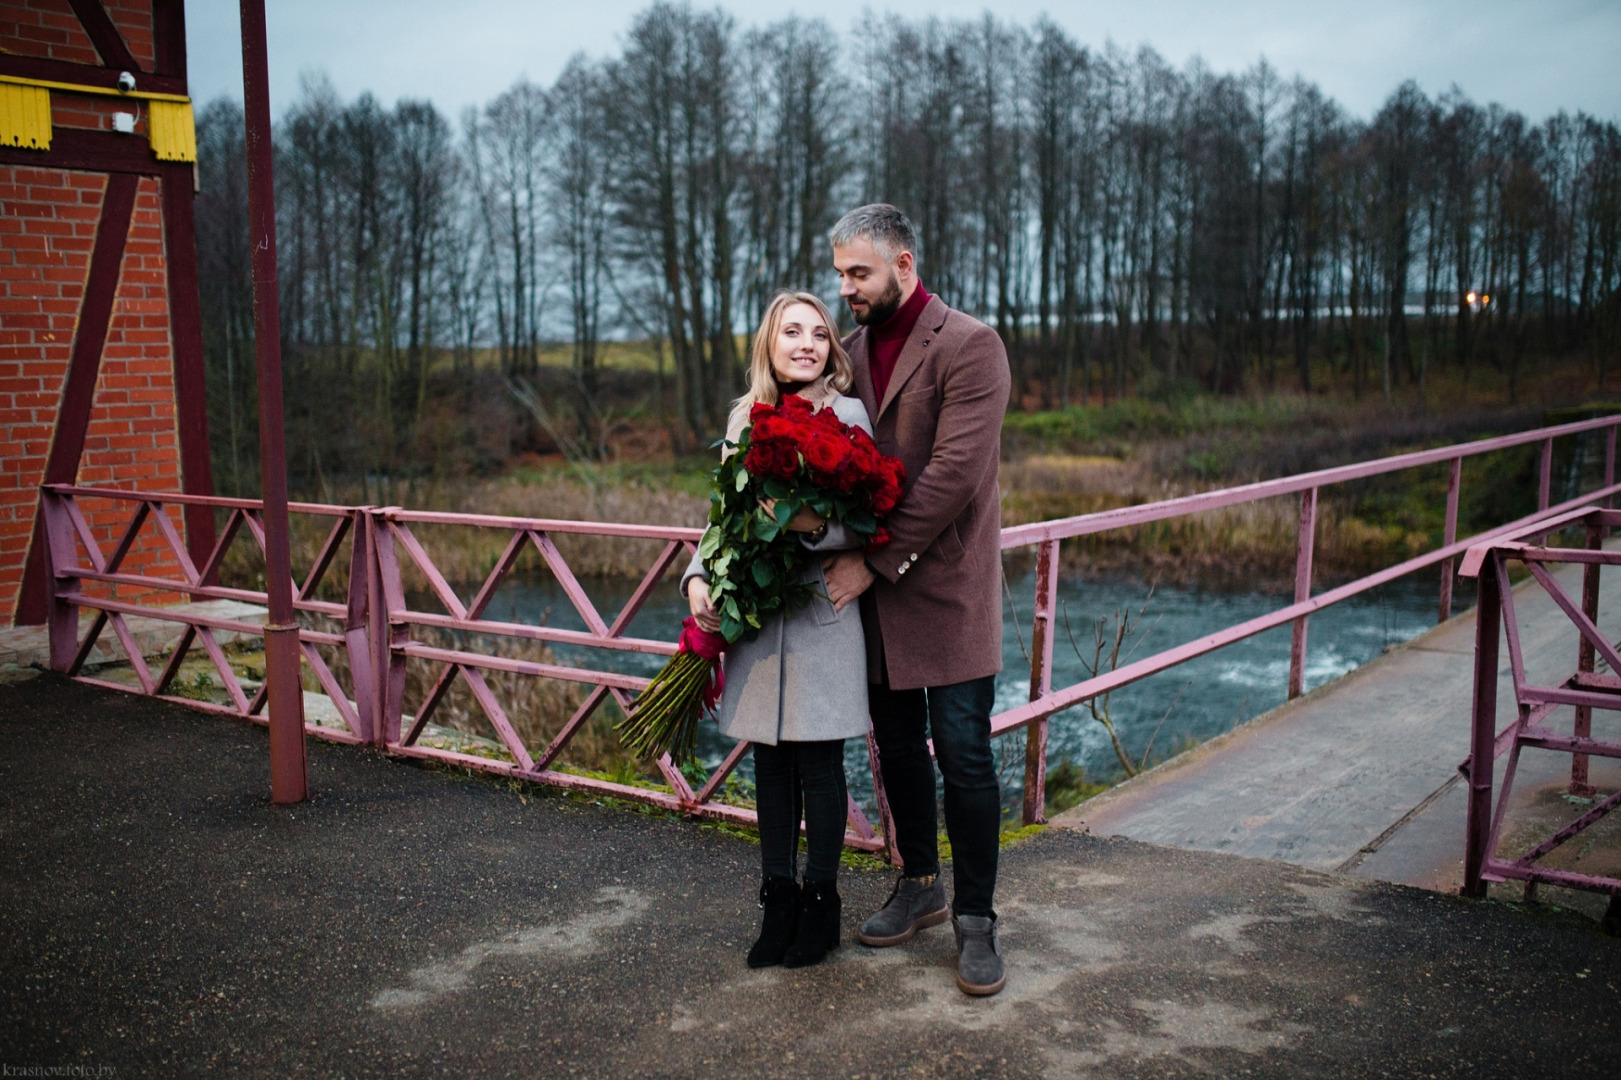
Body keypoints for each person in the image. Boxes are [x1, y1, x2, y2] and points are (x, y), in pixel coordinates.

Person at [820, 204, 1012, 996]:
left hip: (947, 588)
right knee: (894, 749)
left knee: (963, 755)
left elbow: (952, 477)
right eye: (838, 276)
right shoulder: (852, 352)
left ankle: (977, 921)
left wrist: (872, 562)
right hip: (876, 600)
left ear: (904, 264)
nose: (846, 290)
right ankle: (918, 884)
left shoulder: (971, 345)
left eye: (857, 273)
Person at [681, 290, 874, 970]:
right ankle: (778, 903)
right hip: (758, 619)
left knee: (820, 767)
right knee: (768, 764)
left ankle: (821, 907)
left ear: (831, 349)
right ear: (769, 343)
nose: (806, 344)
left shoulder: (847, 415)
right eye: (791, 332)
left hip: (821, 612)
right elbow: (722, 516)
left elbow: (873, 514)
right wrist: (699, 577)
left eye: (818, 335)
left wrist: (811, 526)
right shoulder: (745, 418)